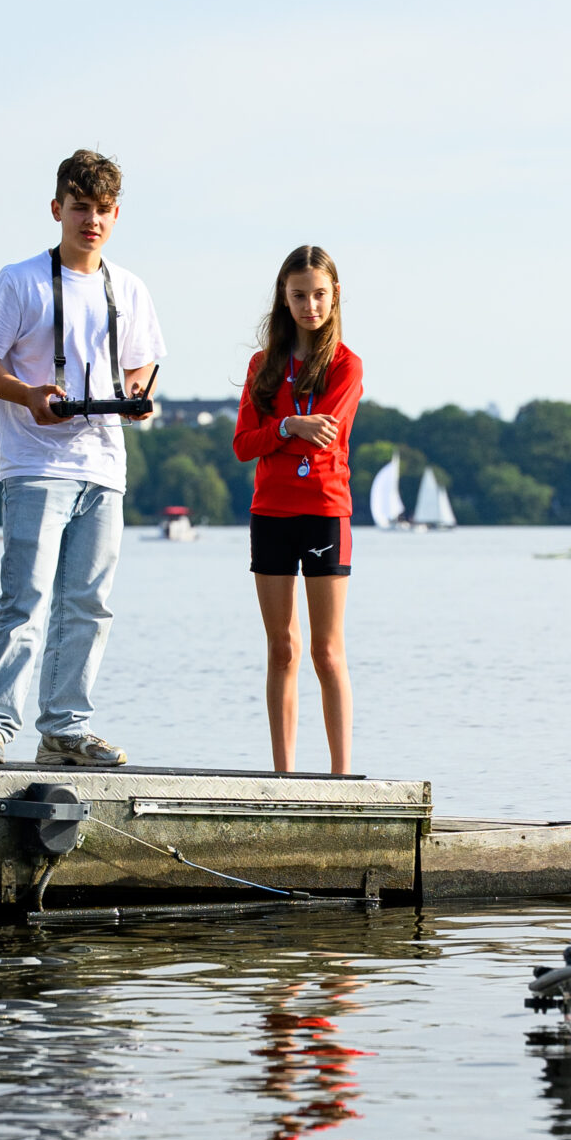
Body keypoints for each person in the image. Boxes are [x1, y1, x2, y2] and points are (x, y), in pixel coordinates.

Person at [0, 150, 163, 769]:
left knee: (90, 602)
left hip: (103, 464)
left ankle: (65, 727)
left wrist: (137, 397)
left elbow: (142, 364)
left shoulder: (128, 287)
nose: (91, 221)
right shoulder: (19, 279)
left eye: (103, 210)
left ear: (116, 214)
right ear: (57, 210)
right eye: (80, 208)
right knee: (24, 597)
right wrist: (27, 394)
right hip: (34, 462)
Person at [231, 246, 362, 775]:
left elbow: (325, 437)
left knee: (327, 653)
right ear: (284, 300)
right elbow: (243, 445)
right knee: (282, 648)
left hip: (325, 510)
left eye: (319, 295)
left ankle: (341, 778)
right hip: (271, 513)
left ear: (335, 297)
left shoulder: (346, 365)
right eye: (299, 295)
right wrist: (287, 427)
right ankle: (282, 778)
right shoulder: (262, 367)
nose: (310, 305)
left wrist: (281, 434)